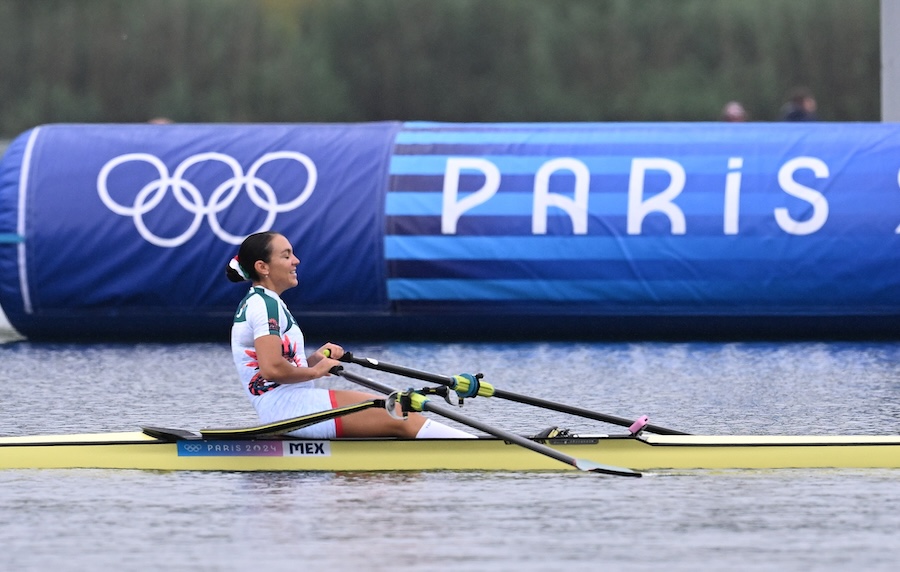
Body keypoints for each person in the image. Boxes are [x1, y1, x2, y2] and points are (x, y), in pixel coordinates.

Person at [225, 231, 475, 439]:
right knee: (398, 411)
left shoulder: (265, 302)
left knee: (394, 412)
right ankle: (474, 450)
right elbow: (272, 370)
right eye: (286, 255)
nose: (296, 261)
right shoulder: (264, 306)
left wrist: (314, 360)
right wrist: (316, 372)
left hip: (290, 404)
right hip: (290, 408)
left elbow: (278, 367)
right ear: (262, 267)